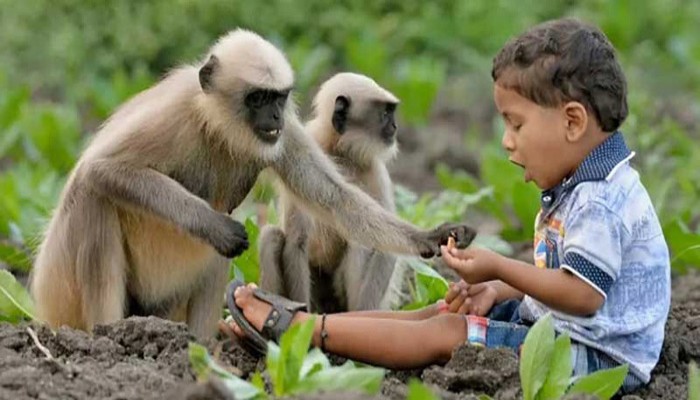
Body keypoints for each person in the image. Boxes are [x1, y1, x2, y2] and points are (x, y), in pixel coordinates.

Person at [222, 17, 670, 393]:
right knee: (444, 312)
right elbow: (570, 280)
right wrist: (497, 291)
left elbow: (583, 295)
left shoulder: (601, 200)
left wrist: (498, 268)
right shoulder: (584, 184)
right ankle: (305, 329)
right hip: (563, 330)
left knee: (449, 333)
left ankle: (303, 332)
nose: (506, 141)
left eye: (516, 124)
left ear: (573, 121)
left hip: (594, 358)